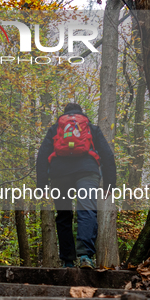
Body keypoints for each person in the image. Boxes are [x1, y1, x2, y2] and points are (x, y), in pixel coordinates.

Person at [36, 103, 116, 269]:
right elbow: (107, 155)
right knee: (86, 210)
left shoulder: (55, 128)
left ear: (64, 115)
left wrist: (42, 185)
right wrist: (110, 184)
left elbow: (42, 155)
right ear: (81, 113)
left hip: (59, 174)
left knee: (64, 215)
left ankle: (68, 261)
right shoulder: (91, 129)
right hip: (87, 171)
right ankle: (85, 256)